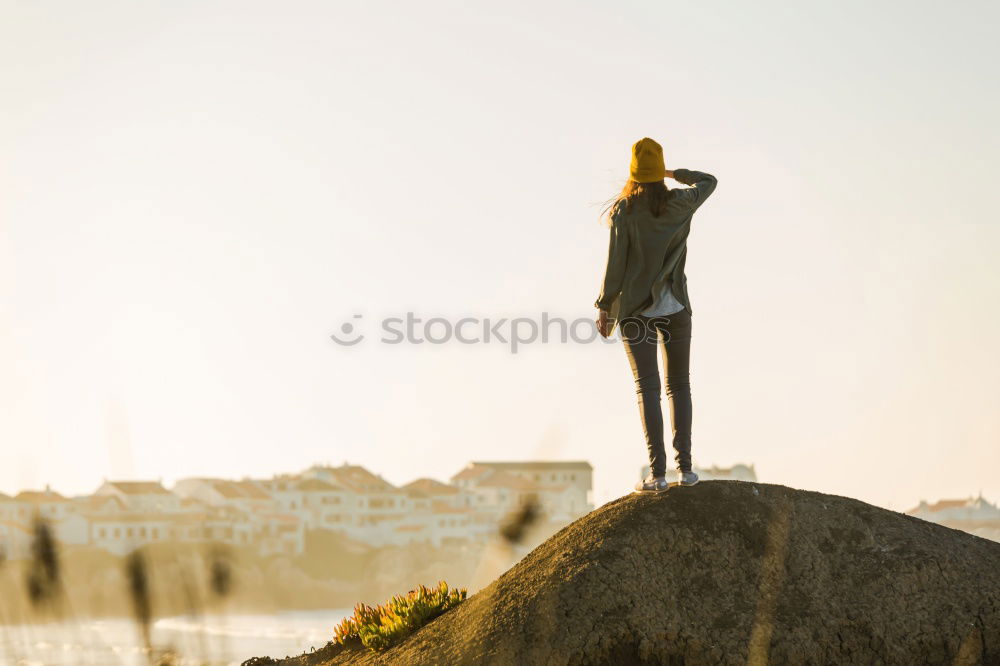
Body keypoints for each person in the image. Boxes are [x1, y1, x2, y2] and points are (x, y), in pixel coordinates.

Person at [594, 137, 717, 493]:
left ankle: (657, 475)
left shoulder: (624, 211)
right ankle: (686, 470)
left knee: (647, 389)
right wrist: (672, 172)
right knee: (679, 385)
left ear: (634, 173)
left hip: (636, 312)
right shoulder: (681, 202)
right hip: (676, 306)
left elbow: (615, 265)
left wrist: (604, 306)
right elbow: (708, 181)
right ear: (658, 171)